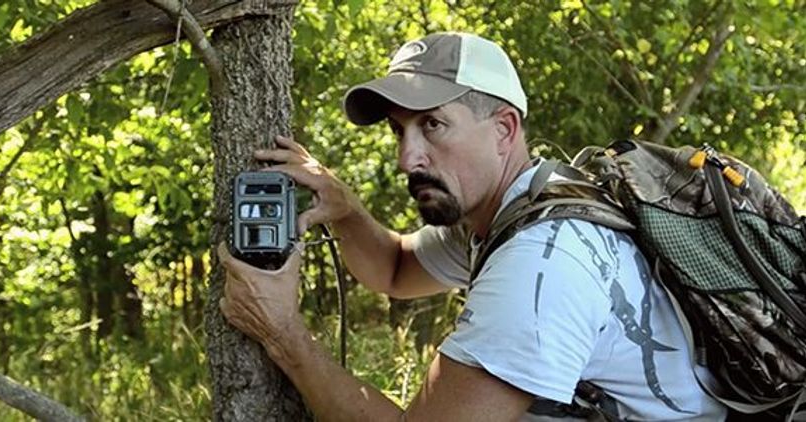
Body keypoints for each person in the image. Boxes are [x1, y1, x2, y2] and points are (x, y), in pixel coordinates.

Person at [218, 32, 727, 421]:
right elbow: (396, 270)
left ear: (504, 129)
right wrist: (346, 208)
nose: (406, 159)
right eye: (400, 131)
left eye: (432, 125)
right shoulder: (520, 204)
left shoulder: (539, 267)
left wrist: (282, 332)